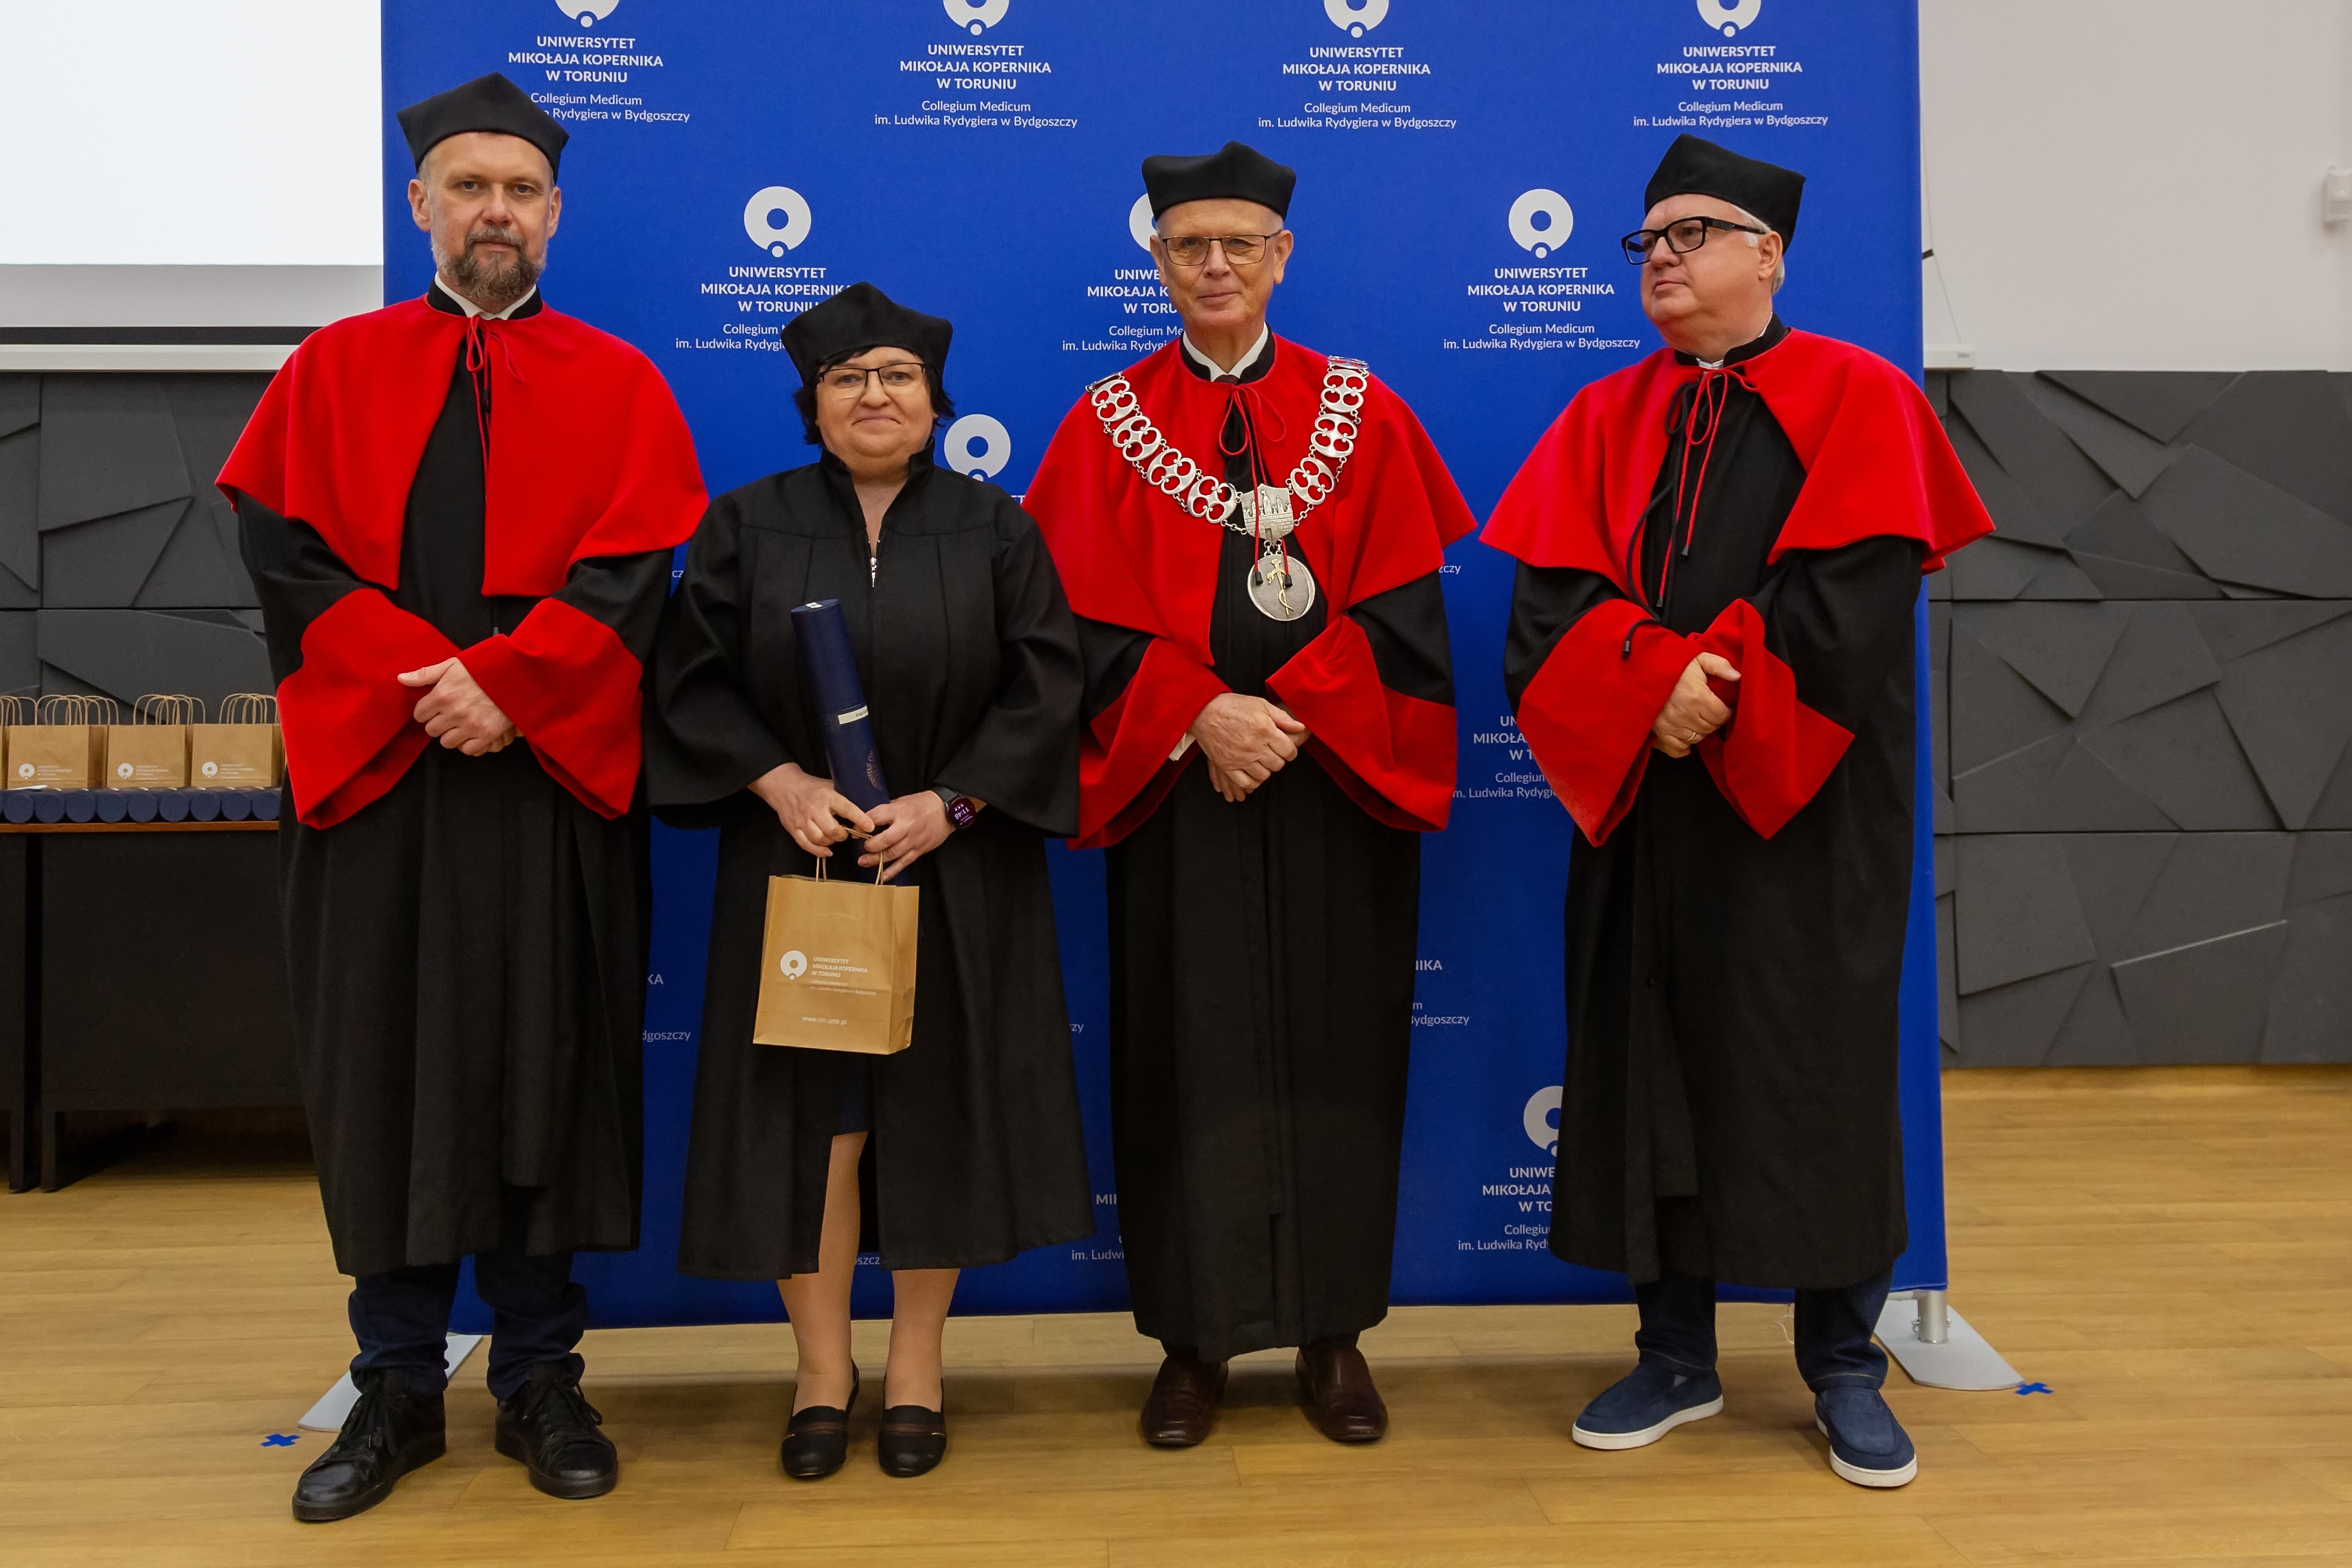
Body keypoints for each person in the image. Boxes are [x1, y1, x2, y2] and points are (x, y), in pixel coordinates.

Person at [220, 73, 706, 1522]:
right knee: (385, 1066)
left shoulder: (618, 383)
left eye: (521, 190)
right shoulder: (330, 370)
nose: (496, 210)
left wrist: (513, 687)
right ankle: (395, 1385)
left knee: (550, 1064)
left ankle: (542, 1376)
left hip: (547, 783)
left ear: (554, 214)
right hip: (380, 783)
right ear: (419, 204)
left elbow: (631, 577)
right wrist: (431, 684)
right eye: (470, 187)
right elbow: (289, 564)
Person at [1483, 134, 1993, 1489]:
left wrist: (1704, 687)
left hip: (1807, 807)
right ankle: (1673, 1353)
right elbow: (1543, 615)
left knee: (1814, 1066)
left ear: (1766, 255)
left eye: (1691, 233)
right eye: (1647, 239)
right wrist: (1644, 685)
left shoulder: (1861, 397)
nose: (1660, 256)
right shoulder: (1602, 416)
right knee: (1650, 1062)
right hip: (1648, 806)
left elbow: (1849, 606)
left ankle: (1840, 1364)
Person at [1025, 141, 1474, 1448]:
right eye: (1188, 246)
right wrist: (1197, 713)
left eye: (1239, 244)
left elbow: (1407, 618)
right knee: (1185, 1051)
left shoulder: (1362, 411)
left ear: (1282, 255)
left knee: (1342, 1050)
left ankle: (1335, 1335)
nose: (1214, 265)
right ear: (1157, 261)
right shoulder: (1105, 421)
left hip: (1335, 785)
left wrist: (1294, 710)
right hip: (1179, 787)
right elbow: (1067, 629)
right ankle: (1193, 1338)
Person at [645, 282, 1093, 1481]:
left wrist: (954, 803)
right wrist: (780, 781)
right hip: (799, 868)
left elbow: (1047, 683)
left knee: (934, 1114)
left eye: (898, 376)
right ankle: (820, 1370)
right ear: (814, 404)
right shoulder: (747, 524)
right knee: (818, 1123)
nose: (875, 396)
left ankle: (915, 1368)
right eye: (847, 379)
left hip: (950, 867)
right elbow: (689, 682)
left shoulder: (995, 527)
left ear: (936, 401)